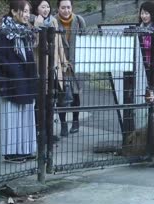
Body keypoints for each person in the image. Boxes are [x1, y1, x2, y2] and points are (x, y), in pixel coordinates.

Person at [0, 0, 38, 163]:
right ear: (13, 12)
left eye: (28, 11)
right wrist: (14, 70)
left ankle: (25, 149)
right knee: (12, 116)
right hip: (10, 82)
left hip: (25, 79)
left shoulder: (26, 31)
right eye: (23, 11)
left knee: (26, 115)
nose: (26, 15)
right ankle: (11, 153)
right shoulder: (3, 32)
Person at [31, 0, 70, 142]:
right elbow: (34, 44)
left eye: (47, 6)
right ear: (37, 9)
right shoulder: (32, 22)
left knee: (50, 102)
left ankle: (49, 132)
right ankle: (40, 133)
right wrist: (38, 25)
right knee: (40, 103)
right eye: (43, 7)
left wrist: (64, 62)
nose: (46, 9)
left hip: (54, 68)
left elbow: (59, 44)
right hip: (40, 70)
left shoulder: (53, 21)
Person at [55, 0, 86, 136]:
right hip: (60, 64)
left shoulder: (79, 21)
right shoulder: (53, 21)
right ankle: (63, 124)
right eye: (63, 7)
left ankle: (75, 121)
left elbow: (85, 41)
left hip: (76, 64)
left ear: (72, 8)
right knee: (61, 95)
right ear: (58, 8)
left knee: (75, 94)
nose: (66, 10)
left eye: (68, 7)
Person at [139, 1, 154, 91]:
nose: (144, 16)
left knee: (151, 92)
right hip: (141, 64)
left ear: (152, 14)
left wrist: (141, 43)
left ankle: (152, 106)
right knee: (141, 91)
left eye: (146, 13)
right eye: (142, 13)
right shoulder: (139, 28)